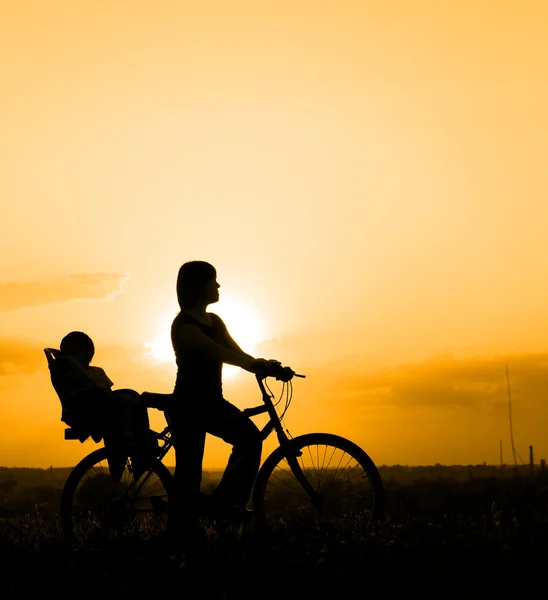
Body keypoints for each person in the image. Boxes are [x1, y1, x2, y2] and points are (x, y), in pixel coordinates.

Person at [167, 260, 283, 540]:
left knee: (250, 439)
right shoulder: (184, 325)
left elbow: (236, 351)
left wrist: (264, 364)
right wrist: (254, 364)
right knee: (189, 475)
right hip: (188, 404)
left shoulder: (215, 321)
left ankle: (225, 505)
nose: (218, 286)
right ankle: (180, 535)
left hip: (212, 402)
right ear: (199, 286)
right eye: (213, 280)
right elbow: (220, 352)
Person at [47, 331, 148, 445]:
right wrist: (71, 363)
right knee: (122, 399)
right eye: (66, 355)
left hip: (105, 406)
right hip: (87, 411)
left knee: (133, 397)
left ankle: (142, 430)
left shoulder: (98, 371)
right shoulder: (70, 374)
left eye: (73, 354)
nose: (70, 358)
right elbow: (83, 382)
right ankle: (126, 431)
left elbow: (109, 393)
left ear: (88, 355)